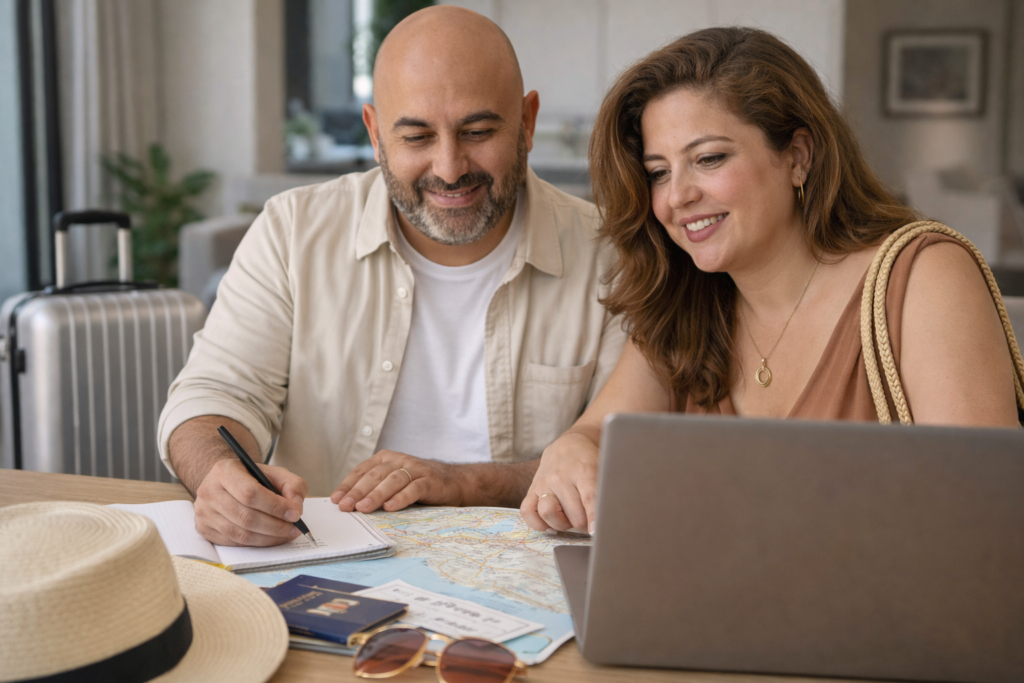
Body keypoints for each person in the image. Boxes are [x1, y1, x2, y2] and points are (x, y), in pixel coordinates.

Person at [521, 27, 1020, 534]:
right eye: (659, 172)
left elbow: (984, 516)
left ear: (798, 156)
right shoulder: (684, 301)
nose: (677, 196)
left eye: (709, 159)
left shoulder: (923, 277)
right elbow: (595, 435)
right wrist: (569, 450)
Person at [158, 6, 625, 547]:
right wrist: (218, 474)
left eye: (477, 131)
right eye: (417, 137)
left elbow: (620, 460)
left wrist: (462, 483)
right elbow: (212, 397)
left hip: (530, 570)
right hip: (326, 565)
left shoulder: (611, 257)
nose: (449, 167)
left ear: (527, 122)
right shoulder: (293, 232)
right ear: (375, 133)